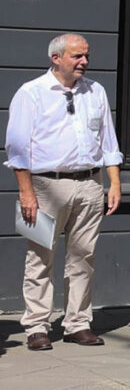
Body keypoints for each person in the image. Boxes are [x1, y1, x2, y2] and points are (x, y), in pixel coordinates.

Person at [8, 33, 123, 350]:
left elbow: (108, 142)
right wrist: (26, 193)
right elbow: (18, 149)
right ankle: (37, 326)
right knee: (40, 257)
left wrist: (114, 183)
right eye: (77, 56)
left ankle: (77, 323)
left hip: (89, 184)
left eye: (86, 55)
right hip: (45, 185)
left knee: (83, 257)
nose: (85, 61)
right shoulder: (31, 93)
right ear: (56, 58)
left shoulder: (95, 91)